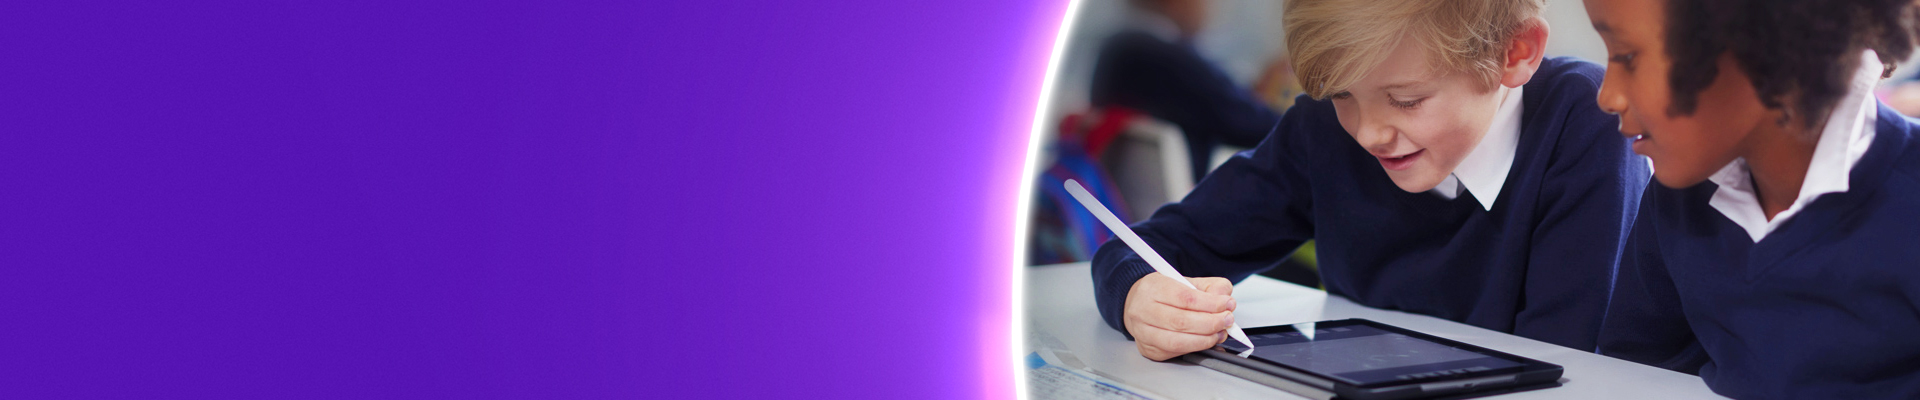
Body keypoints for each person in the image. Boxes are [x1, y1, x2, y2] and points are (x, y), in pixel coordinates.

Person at [1091, 0, 1650, 361]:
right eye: (1341, 97)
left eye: (1407, 100)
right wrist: (1140, 296)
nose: (1369, 134)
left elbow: (1560, 364)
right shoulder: (1322, 130)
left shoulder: (1587, 120)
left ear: (1515, 52)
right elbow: (1140, 247)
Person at [1583, 0, 1920, 397]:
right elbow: (1632, 367)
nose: (1607, 96)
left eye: (1627, 56)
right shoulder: (1678, 196)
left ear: (1765, 49)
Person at [1089, 0, 1291, 181]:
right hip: (1186, 209)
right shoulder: (1169, 58)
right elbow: (1257, 126)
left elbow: (1215, 104)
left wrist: (1251, 95)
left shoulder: (1119, 47)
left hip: (1127, 206)